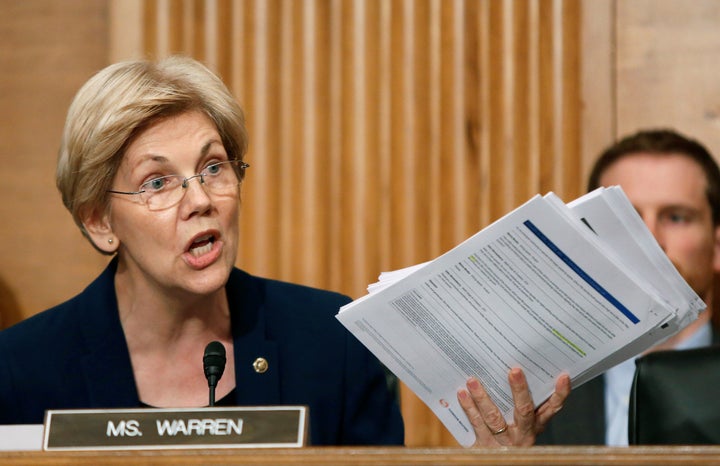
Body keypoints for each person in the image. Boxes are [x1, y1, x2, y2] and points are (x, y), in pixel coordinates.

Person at [0, 55, 568, 447]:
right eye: (157, 182)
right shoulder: (21, 371)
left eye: (213, 167)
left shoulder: (328, 344)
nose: (200, 200)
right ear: (100, 222)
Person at [536, 128, 720, 446]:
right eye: (624, 219)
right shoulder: (533, 401)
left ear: (717, 246)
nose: (649, 241)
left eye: (676, 217)